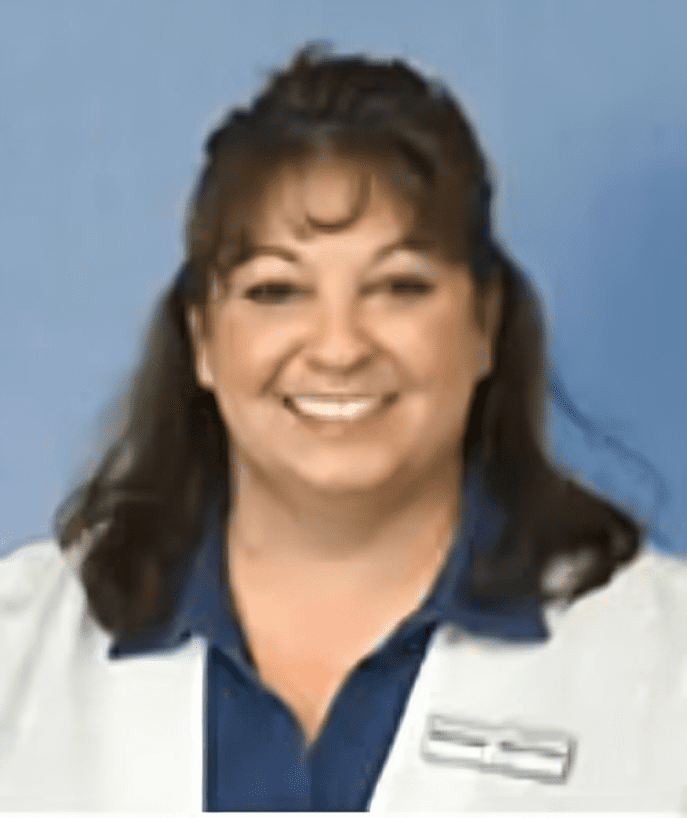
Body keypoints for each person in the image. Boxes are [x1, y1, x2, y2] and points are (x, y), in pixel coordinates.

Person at [2, 43, 686, 812]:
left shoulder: (661, 661)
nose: (338, 347)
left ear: (483, 323)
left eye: (398, 287)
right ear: (201, 339)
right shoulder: (20, 649)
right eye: (275, 290)